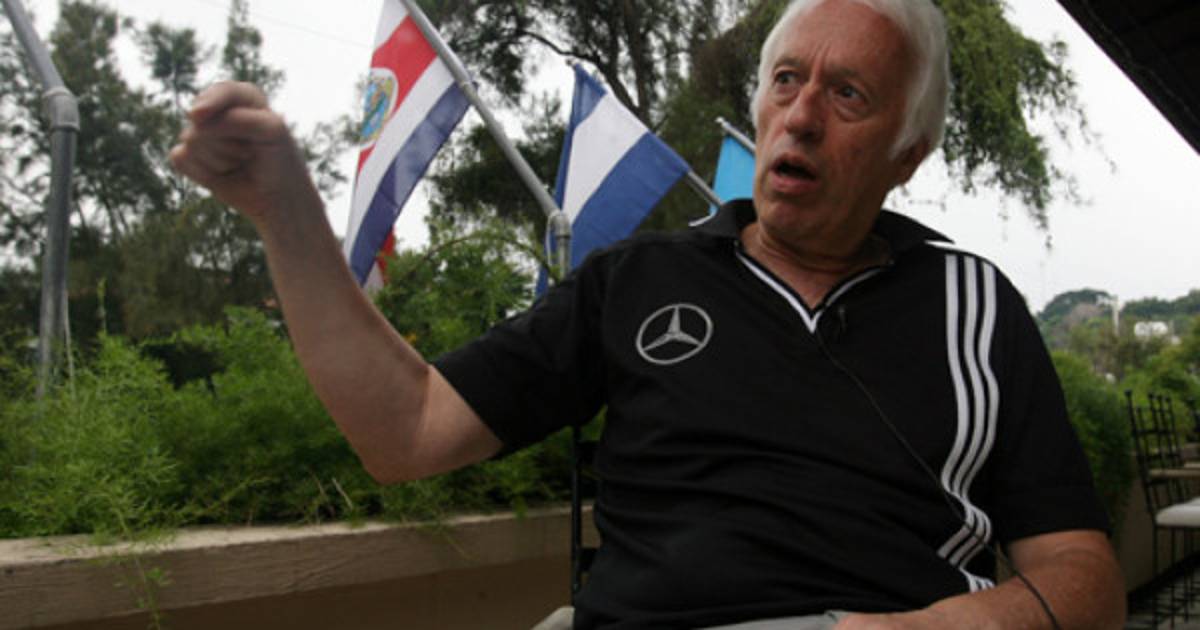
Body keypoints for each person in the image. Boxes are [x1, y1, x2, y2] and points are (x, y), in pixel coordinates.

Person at [170, 0, 1126, 627]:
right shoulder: (636, 280)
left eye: (848, 94)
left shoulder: (975, 307)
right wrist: (285, 212)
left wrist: (948, 625)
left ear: (908, 153)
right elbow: (406, 430)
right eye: (786, 80)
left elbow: (1083, 577)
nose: (801, 115)